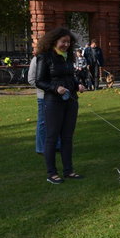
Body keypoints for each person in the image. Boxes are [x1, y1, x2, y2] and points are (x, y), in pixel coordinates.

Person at [35, 27, 86, 184]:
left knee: (67, 137)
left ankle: (69, 170)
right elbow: (39, 81)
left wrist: (78, 84)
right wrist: (55, 88)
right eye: (63, 41)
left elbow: (70, 76)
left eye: (68, 42)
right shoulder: (45, 57)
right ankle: (52, 173)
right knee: (52, 137)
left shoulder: (68, 57)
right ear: (54, 41)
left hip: (71, 101)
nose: (66, 44)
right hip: (53, 102)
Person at [28, 52, 60, 155]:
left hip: (58, 95)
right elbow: (32, 79)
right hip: (44, 95)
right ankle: (41, 147)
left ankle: (57, 145)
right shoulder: (37, 59)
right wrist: (47, 88)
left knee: (57, 121)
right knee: (43, 122)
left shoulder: (58, 58)